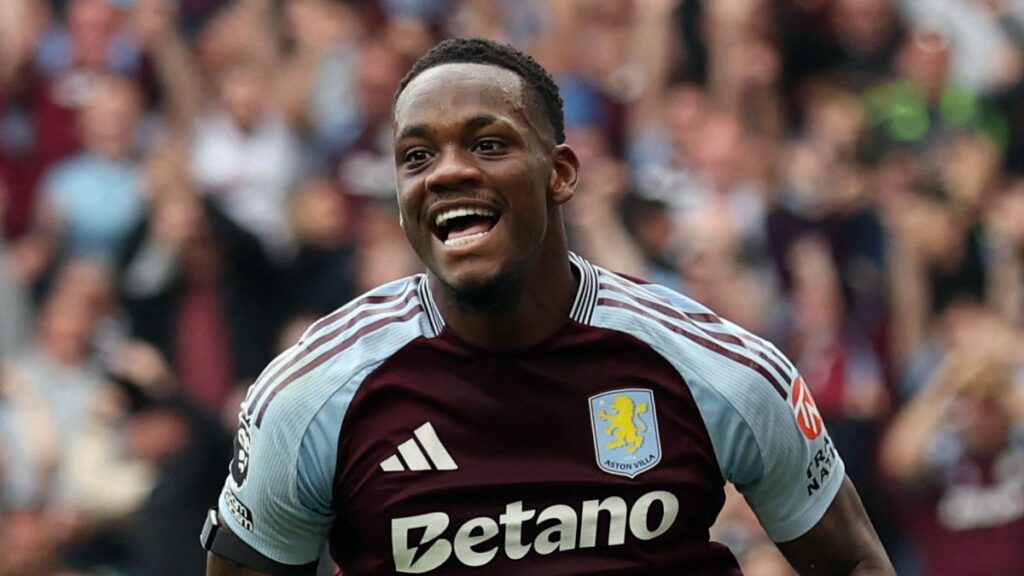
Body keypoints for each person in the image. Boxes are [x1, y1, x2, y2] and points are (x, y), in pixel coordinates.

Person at [203, 37, 895, 575]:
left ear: (560, 173)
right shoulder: (310, 396)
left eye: (488, 143)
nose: (446, 172)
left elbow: (855, 562)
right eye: (416, 156)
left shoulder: (716, 369)